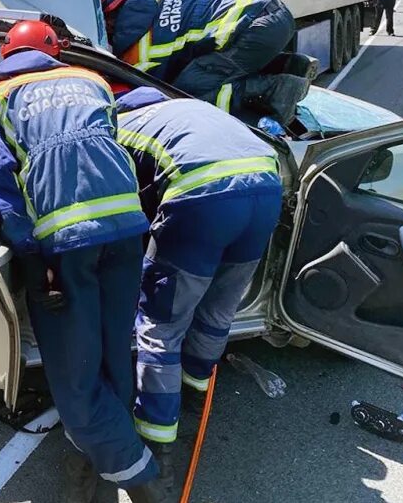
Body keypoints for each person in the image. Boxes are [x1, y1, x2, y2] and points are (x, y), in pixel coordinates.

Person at [0, 20, 165, 503]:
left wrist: (28, 250)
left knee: (75, 376)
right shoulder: (91, 79)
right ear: (54, 50)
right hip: (125, 229)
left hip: (65, 246)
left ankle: (141, 480)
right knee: (114, 350)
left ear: (5, 55)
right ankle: (93, 455)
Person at [114, 86, 283, 495]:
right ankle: (196, 389)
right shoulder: (194, 109)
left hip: (202, 202)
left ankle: (157, 440)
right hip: (265, 192)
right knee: (218, 310)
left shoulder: (122, 127)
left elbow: (128, 204)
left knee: (160, 324)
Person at [101, 0, 312, 126]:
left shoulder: (140, 52)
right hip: (272, 9)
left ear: (110, 24)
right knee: (219, 65)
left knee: (188, 92)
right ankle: (290, 67)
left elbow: (155, 90)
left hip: (255, 29)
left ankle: (277, 91)